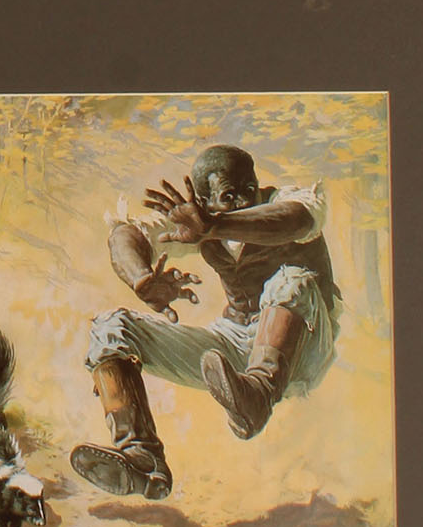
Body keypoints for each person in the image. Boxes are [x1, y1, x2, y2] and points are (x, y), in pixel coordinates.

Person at [70, 144, 339, 500]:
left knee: (291, 279)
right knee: (111, 327)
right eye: (229, 196)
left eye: (249, 189)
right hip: (237, 344)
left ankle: (258, 396)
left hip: (304, 346)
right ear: (203, 201)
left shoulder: (289, 201)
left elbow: (293, 220)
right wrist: (142, 279)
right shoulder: (198, 219)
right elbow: (125, 235)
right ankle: (142, 458)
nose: (244, 201)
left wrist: (215, 225)